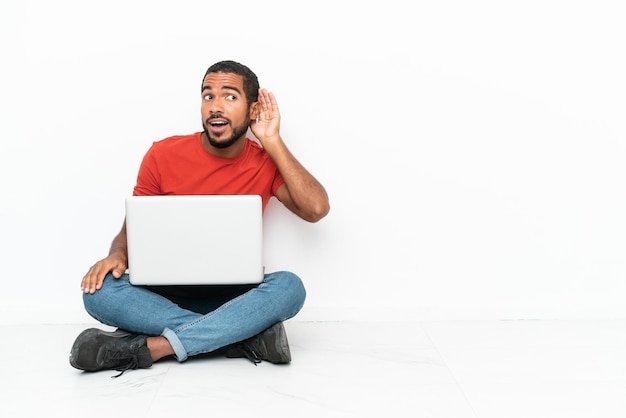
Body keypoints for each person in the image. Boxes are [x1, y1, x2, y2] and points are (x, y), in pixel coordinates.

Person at [69, 60, 330, 376]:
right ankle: (239, 337)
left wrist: (272, 140)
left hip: (235, 297)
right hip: (163, 296)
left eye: (230, 97)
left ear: (253, 109)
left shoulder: (265, 161)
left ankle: (154, 348)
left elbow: (316, 208)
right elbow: (133, 225)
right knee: (98, 293)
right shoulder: (162, 154)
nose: (215, 107)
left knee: (290, 287)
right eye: (208, 96)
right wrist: (117, 254)